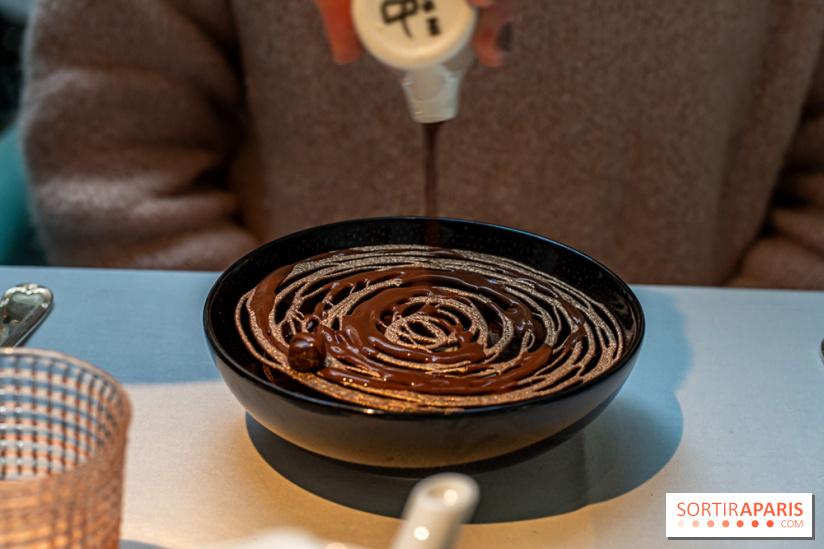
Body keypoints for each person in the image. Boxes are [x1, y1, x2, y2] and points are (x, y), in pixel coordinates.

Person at [18, 0, 824, 289]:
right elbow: (113, 145)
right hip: (272, 426)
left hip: (708, 429)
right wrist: (245, 344)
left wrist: (746, 360)